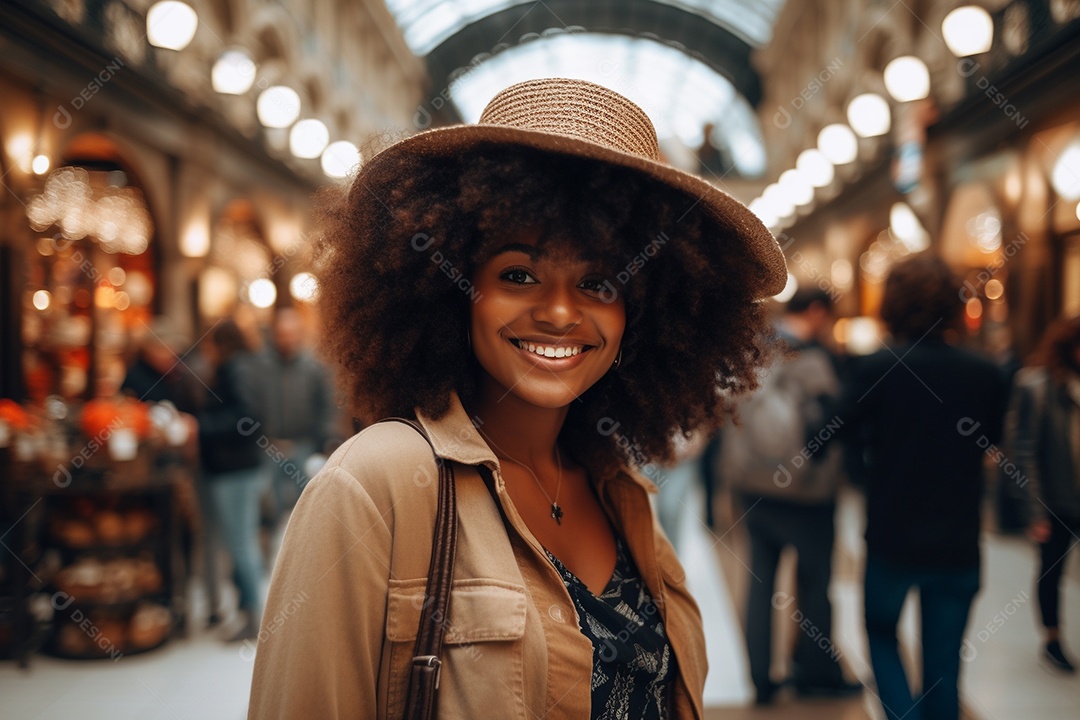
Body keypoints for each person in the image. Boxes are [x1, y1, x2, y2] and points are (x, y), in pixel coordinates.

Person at [247, 78, 787, 718]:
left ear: (640, 311)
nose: (559, 311)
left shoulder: (620, 492)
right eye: (518, 275)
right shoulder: (376, 487)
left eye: (596, 281)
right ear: (453, 284)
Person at [836, 255, 1006, 720]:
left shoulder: (877, 368)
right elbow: (991, 440)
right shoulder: (985, 373)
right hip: (957, 537)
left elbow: (837, 428)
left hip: (893, 533)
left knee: (881, 634)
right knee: (944, 667)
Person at [721, 288, 858, 704]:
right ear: (816, 312)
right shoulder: (812, 356)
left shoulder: (748, 351)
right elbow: (832, 421)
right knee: (815, 581)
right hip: (808, 492)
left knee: (759, 582)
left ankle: (761, 678)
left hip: (752, 486)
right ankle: (817, 673)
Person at [1007, 315, 1080, 672]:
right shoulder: (1037, 386)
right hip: (1056, 498)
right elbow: (1024, 450)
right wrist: (1034, 508)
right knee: (1052, 570)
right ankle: (1052, 637)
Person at [198, 319, 266, 642]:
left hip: (235, 467)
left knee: (241, 543)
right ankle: (247, 611)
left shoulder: (237, 368)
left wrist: (200, 428)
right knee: (241, 542)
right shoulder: (246, 366)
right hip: (236, 466)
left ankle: (253, 616)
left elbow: (246, 418)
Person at [252, 307, 340, 527]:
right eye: (282, 334)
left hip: (303, 445)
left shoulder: (314, 366)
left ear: (299, 334)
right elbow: (252, 403)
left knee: (306, 508)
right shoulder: (260, 365)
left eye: (291, 334)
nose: (287, 339)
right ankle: (272, 555)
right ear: (274, 335)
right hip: (270, 447)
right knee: (269, 508)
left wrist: (324, 439)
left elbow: (326, 405)